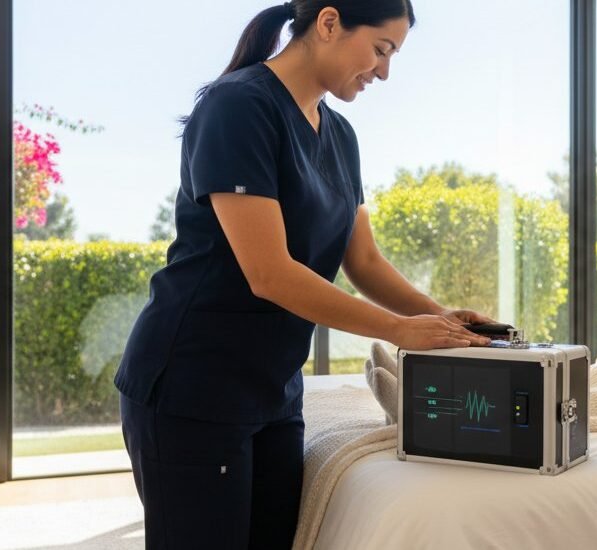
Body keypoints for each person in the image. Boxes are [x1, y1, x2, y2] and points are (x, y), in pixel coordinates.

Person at [113, 2, 493, 547]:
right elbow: (268, 273)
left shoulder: (340, 138)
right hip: (193, 384)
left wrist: (439, 319)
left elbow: (362, 261)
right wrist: (396, 330)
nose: (384, 71)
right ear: (330, 22)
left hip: (274, 392)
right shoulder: (238, 107)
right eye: (381, 50)